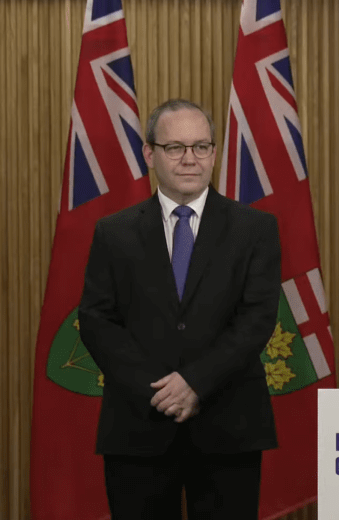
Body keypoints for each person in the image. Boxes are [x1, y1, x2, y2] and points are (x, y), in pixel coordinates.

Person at [78, 99, 281, 519]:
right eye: (175, 148)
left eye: (201, 146)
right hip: (138, 425)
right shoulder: (113, 233)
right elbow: (97, 321)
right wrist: (161, 393)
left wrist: (196, 382)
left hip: (228, 426)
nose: (190, 159)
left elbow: (257, 318)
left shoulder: (255, 229)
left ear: (213, 152)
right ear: (150, 154)